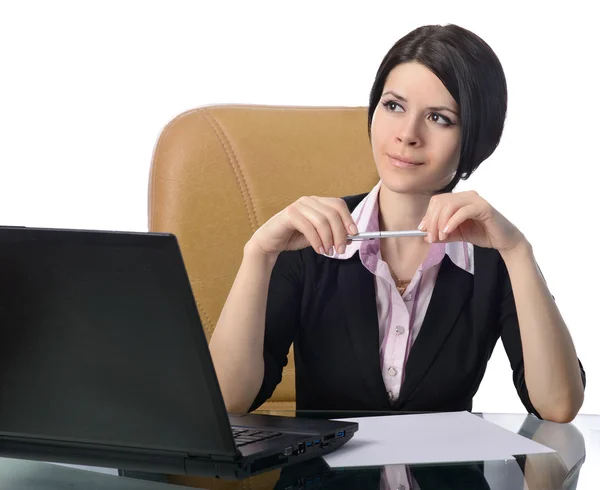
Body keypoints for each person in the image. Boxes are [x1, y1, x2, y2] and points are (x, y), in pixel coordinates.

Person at [209, 24, 586, 422]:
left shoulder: (493, 256)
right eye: (393, 106)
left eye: (440, 118)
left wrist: (518, 252)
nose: (407, 134)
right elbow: (226, 400)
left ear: (475, 140)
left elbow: (557, 405)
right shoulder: (313, 240)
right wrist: (259, 254)